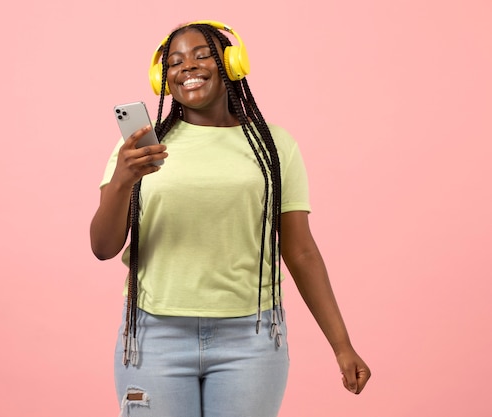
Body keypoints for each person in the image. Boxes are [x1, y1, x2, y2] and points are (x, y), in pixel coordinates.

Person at [90, 20, 371, 417]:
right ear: (162, 77)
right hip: (154, 336)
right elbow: (102, 247)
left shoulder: (274, 146)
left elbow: (301, 251)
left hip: (251, 338)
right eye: (175, 62)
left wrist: (342, 345)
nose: (187, 66)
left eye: (202, 55)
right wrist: (122, 180)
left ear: (232, 65)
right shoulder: (138, 148)